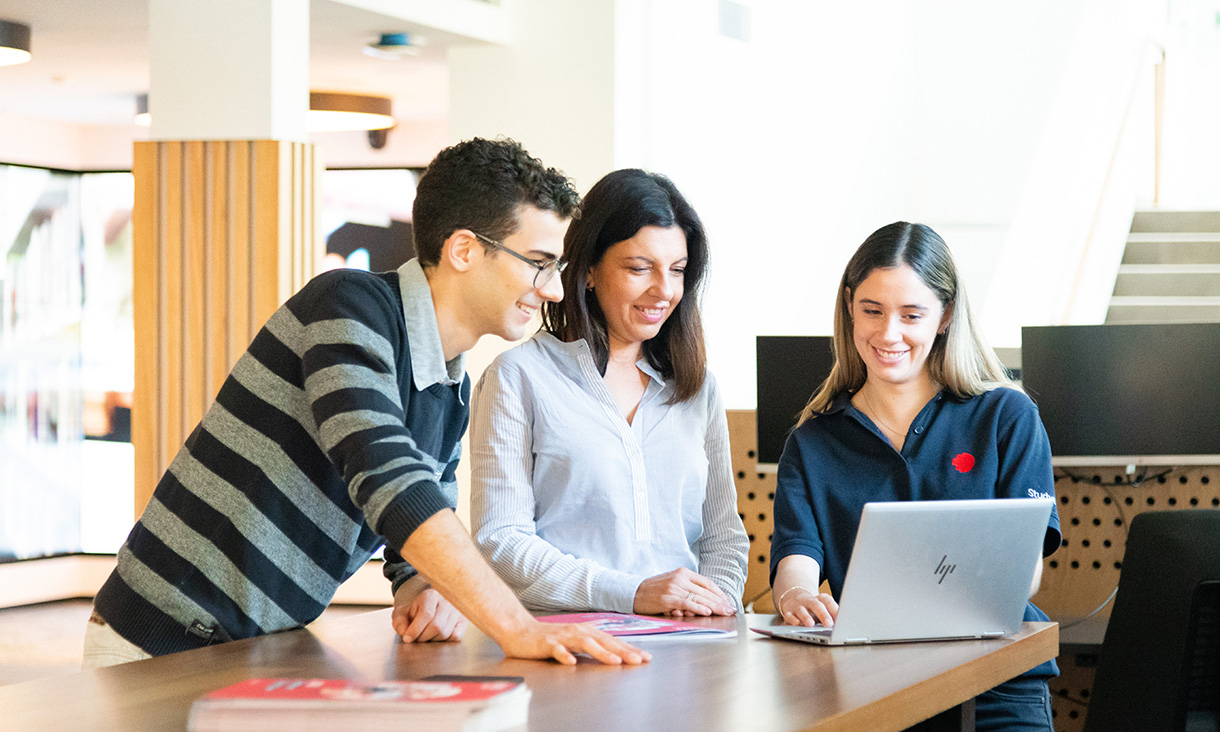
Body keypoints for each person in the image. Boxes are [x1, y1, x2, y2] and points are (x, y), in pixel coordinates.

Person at [83, 138, 649, 669]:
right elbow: (385, 476)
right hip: (157, 644)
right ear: (463, 250)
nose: (552, 289)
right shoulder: (348, 307)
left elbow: (415, 523)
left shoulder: (451, 388)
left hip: (252, 651)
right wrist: (516, 627)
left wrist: (420, 586)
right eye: (539, 262)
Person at [769, 222, 1060, 730]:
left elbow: (1026, 571)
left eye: (912, 315)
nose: (888, 334)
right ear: (849, 307)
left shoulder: (1006, 417)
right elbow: (795, 559)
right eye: (872, 311)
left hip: (998, 681)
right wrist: (796, 596)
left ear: (945, 316)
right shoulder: (812, 441)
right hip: (871, 684)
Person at [469, 169, 748, 617]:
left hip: (688, 648)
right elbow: (502, 540)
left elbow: (722, 538)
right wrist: (632, 594)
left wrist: (713, 606)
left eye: (677, 270)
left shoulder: (698, 387)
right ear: (590, 270)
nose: (664, 290)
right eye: (640, 268)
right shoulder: (518, 377)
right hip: (566, 646)